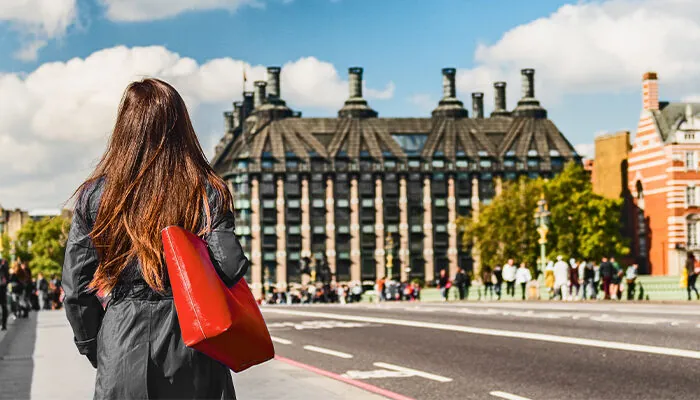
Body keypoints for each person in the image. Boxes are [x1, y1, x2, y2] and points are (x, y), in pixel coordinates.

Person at [62, 79, 249, 399]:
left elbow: (76, 290)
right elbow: (230, 266)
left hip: (123, 338)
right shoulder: (206, 190)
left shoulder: (94, 195)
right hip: (194, 343)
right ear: (181, 127)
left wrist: (98, 345)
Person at [0, 259, 8, 330]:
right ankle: (3, 324)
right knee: (4, 306)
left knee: (4, 306)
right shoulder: (5, 267)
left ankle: (3, 324)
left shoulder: (4, 268)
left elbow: (6, 280)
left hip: (2, 289)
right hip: (2, 290)